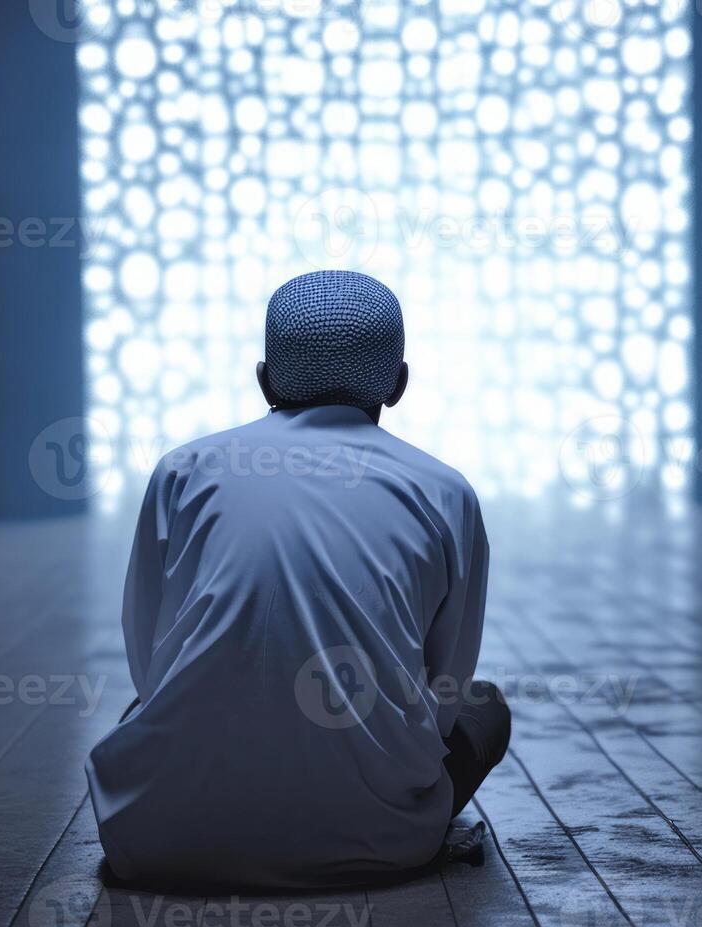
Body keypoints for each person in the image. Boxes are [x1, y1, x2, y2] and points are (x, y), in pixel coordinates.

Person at [85, 270, 509, 890]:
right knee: (486, 707)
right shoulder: (444, 490)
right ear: (399, 383)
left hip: (157, 842)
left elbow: (148, 660)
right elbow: (445, 695)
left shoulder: (183, 471)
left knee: (151, 703)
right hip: (379, 840)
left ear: (263, 379)